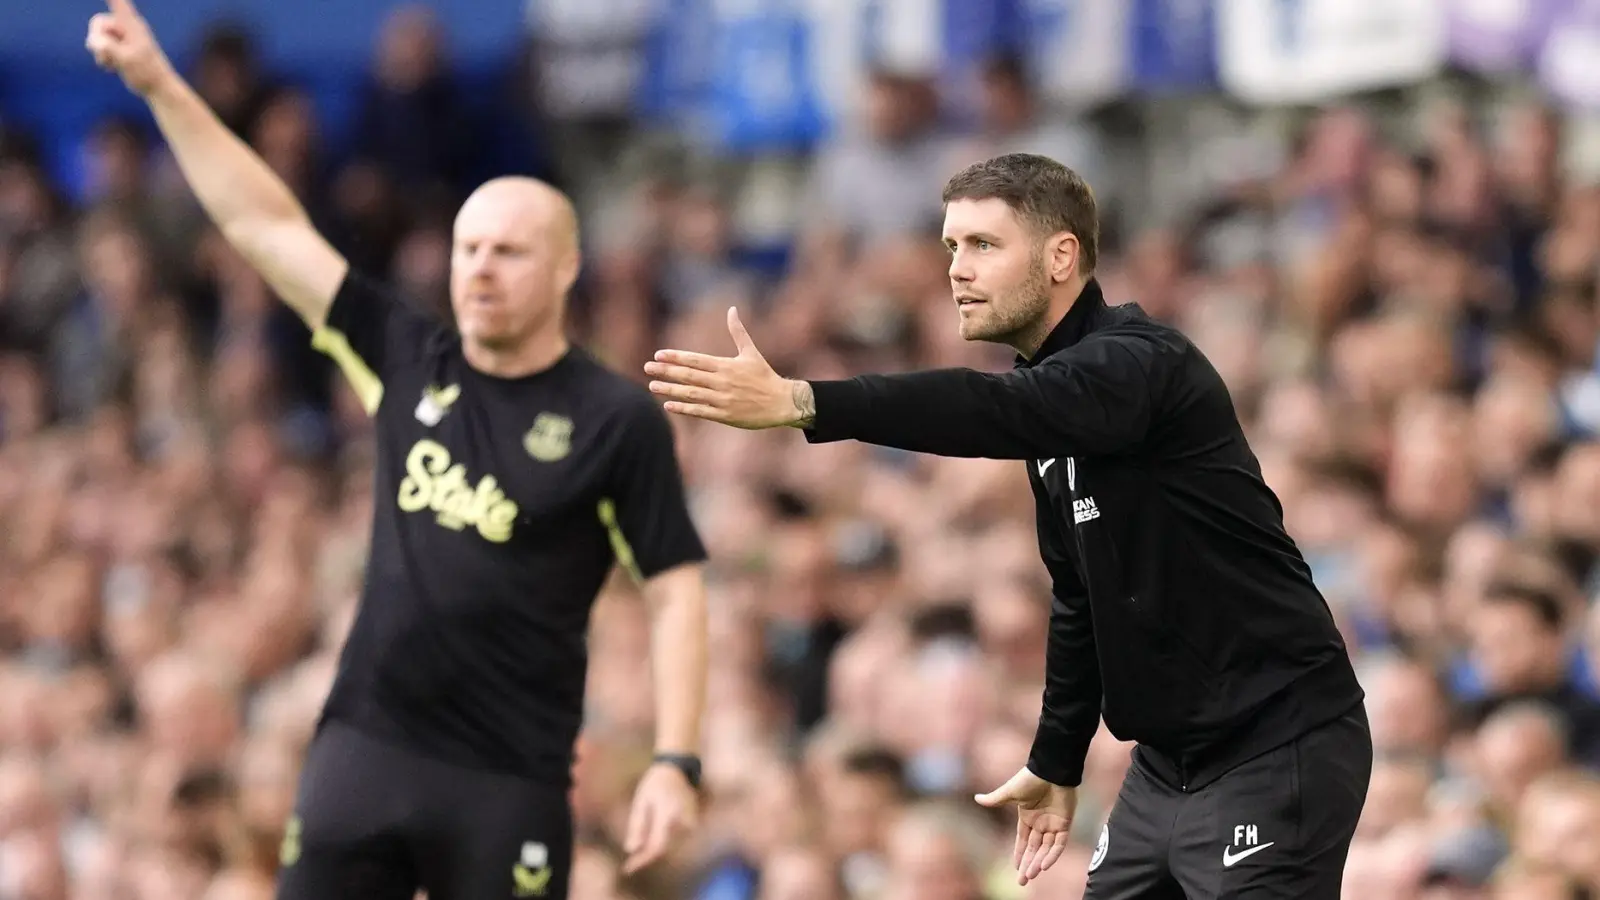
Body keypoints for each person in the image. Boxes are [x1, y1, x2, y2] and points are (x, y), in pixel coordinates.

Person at [86, 2, 712, 898]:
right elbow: (266, 226)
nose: (480, 269)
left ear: (567, 268)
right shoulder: (409, 354)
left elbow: (675, 589)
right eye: (467, 249)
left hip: (509, 778)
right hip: (365, 750)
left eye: (508, 252)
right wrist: (160, 86)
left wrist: (675, 758)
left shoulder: (614, 416)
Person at [645, 153, 1372, 898]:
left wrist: (808, 401)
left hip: (1278, 740)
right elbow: (1079, 598)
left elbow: (992, 410)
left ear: (1062, 256)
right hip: (1166, 768)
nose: (958, 268)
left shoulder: (1139, 364)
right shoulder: (1050, 407)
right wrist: (1058, 760)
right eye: (951, 247)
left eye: (984, 245)